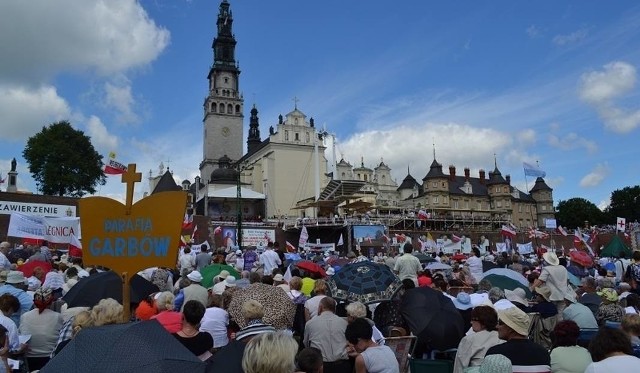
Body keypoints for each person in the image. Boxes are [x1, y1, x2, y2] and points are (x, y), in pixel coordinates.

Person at [485, 306, 550, 372]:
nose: (497, 326)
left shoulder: (494, 354)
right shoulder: (543, 353)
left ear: (510, 328)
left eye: (500, 323)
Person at [18, 287, 63, 370]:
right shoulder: (57, 317)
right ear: (51, 302)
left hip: (29, 358)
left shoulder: (24, 316)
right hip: (49, 357)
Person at [304, 297, 350, 373]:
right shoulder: (344, 323)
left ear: (320, 308)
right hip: (340, 365)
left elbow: (306, 344)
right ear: (334, 309)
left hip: (322, 365)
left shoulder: (310, 323)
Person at [453, 305, 503, 373]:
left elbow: (459, 366)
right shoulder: (501, 337)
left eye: (473, 319)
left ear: (483, 321)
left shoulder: (469, 339)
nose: (471, 322)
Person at [533, 252, 568, 321]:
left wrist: (532, 288)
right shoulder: (563, 268)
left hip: (552, 295)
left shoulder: (547, 269)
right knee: (560, 315)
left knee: (552, 316)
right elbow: (567, 281)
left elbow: (540, 281)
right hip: (563, 294)